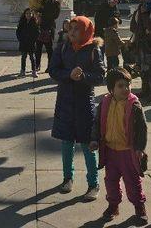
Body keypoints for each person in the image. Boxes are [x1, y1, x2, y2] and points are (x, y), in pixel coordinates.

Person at [48, 16, 105, 201]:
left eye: (77, 29)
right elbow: (53, 70)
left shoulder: (93, 50)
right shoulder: (62, 47)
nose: (71, 32)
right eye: (70, 28)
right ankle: (67, 178)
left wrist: (84, 77)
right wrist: (68, 75)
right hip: (65, 101)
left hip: (84, 104)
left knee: (88, 144)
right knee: (66, 142)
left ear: (86, 31)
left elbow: (100, 76)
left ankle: (93, 183)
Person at [89, 68, 148, 225]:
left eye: (128, 85)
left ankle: (139, 207)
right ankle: (113, 206)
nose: (126, 89)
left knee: (132, 182)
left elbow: (142, 128)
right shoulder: (105, 103)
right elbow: (97, 123)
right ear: (111, 89)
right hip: (110, 151)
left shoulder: (134, 105)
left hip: (127, 152)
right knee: (111, 181)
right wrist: (94, 140)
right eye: (120, 86)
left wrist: (139, 148)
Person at [130, 2, 151, 103]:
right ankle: (146, 90)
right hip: (142, 44)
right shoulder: (138, 12)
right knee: (144, 70)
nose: (143, 7)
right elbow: (133, 27)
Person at [16, 8, 39, 77]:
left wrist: (34, 40)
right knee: (23, 57)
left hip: (31, 43)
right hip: (23, 42)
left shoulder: (34, 22)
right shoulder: (22, 22)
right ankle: (22, 71)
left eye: (30, 13)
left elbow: (37, 33)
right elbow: (18, 32)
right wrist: (20, 39)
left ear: (32, 15)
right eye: (27, 13)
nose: (28, 15)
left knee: (32, 57)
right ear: (24, 14)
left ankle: (34, 71)